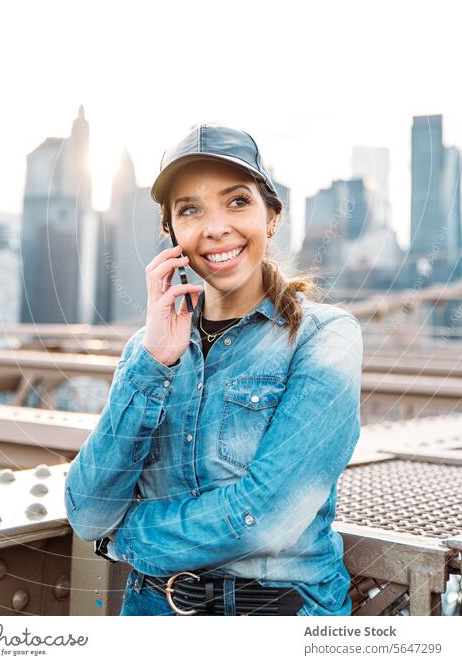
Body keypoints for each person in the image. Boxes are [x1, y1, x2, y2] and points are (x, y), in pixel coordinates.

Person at [64, 123, 363, 616]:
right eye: (190, 210)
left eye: (237, 201)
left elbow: (267, 518)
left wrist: (124, 538)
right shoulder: (147, 350)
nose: (216, 227)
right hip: (151, 612)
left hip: (277, 614)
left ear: (272, 216)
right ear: (172, 232)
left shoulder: (324, 336)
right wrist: (154, 363)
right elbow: (90, 510)